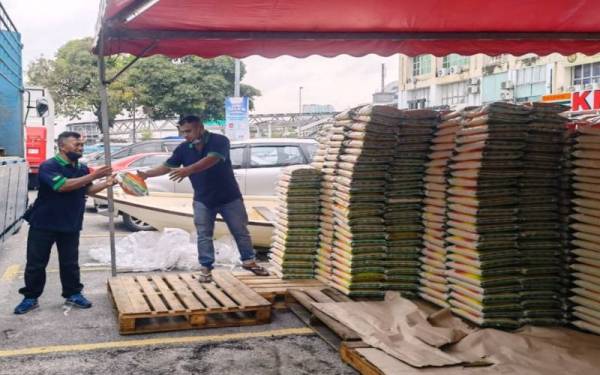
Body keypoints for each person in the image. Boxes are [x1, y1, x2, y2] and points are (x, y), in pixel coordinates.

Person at [137, 115, 268, 282]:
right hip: (203, 199)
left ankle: (249, 262)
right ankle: (206, 268)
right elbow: (167, 167)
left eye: (189, 131)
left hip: (229, 197)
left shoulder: (219, 141)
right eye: (182, 132)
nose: (185, 135)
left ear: (200, 127)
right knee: (204, 235)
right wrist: (147, 174)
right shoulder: (183, 149)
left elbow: (211, 159)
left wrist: (188, 170)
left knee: (240, 231)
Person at [14, 131, 116, 314]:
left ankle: (73, 294)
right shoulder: (49, 166)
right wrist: (93, 176)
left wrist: (108, 183)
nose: (80, 148)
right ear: (62, 146)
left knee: (70, 263)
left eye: (81, 145)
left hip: (70, 223)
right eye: (76, 145)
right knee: (36, 264)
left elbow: (88, 189)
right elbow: (62, 186)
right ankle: (31, 297)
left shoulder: (82, 168)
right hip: (43, 223)